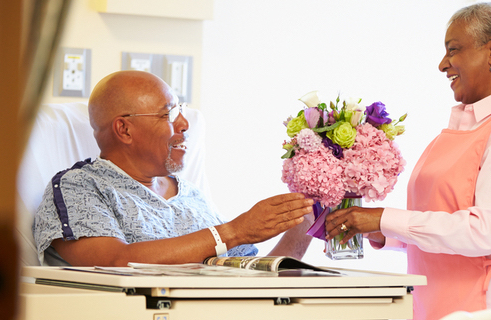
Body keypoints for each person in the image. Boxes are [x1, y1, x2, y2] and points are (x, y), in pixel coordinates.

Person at [325, 1, 491, 320]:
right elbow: (440, 222)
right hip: (443, 307)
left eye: (454, 50)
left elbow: (482, 233)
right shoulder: (464, 127)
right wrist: (381, 232)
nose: (442, 64)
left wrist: (385, 218)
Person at [33, 70, 314, 266]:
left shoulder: (190, 195)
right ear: (124, 129)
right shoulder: (80, 187)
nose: (184, 124)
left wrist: (304, 225)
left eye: (181, 111)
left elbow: (250, 276)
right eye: (169, 114)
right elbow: (112, 261)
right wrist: (232, 232)